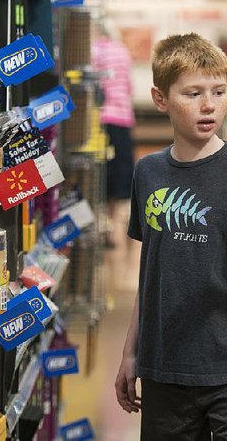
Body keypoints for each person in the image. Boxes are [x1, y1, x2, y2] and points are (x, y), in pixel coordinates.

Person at [115, 32, 227, 440]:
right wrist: (131, 353)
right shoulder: (148, 173)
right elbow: (151, 275)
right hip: (165, 371)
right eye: (193, 93)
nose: (209, 105)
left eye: (219, 92)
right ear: (161, 99)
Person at [91, 21, 139, 289]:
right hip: (122, 119)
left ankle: (102, 225)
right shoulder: (122, 51)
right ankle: (116, 225)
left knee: (99, 172)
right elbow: (128, 87)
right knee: (121, 176)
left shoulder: (93, 51)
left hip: (98, 120)